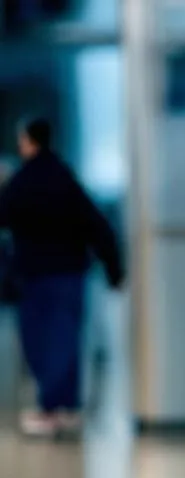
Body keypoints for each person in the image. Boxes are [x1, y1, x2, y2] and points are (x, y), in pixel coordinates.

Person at [0, 116, 123, 438]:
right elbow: (96, 224)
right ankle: (65, 407)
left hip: (34, 274)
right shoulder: (66, 179)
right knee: (65, 339)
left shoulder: (20, 182)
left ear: (27, 141)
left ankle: (50, 407)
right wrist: (114, 267)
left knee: (39, 341)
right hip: (70, 273)